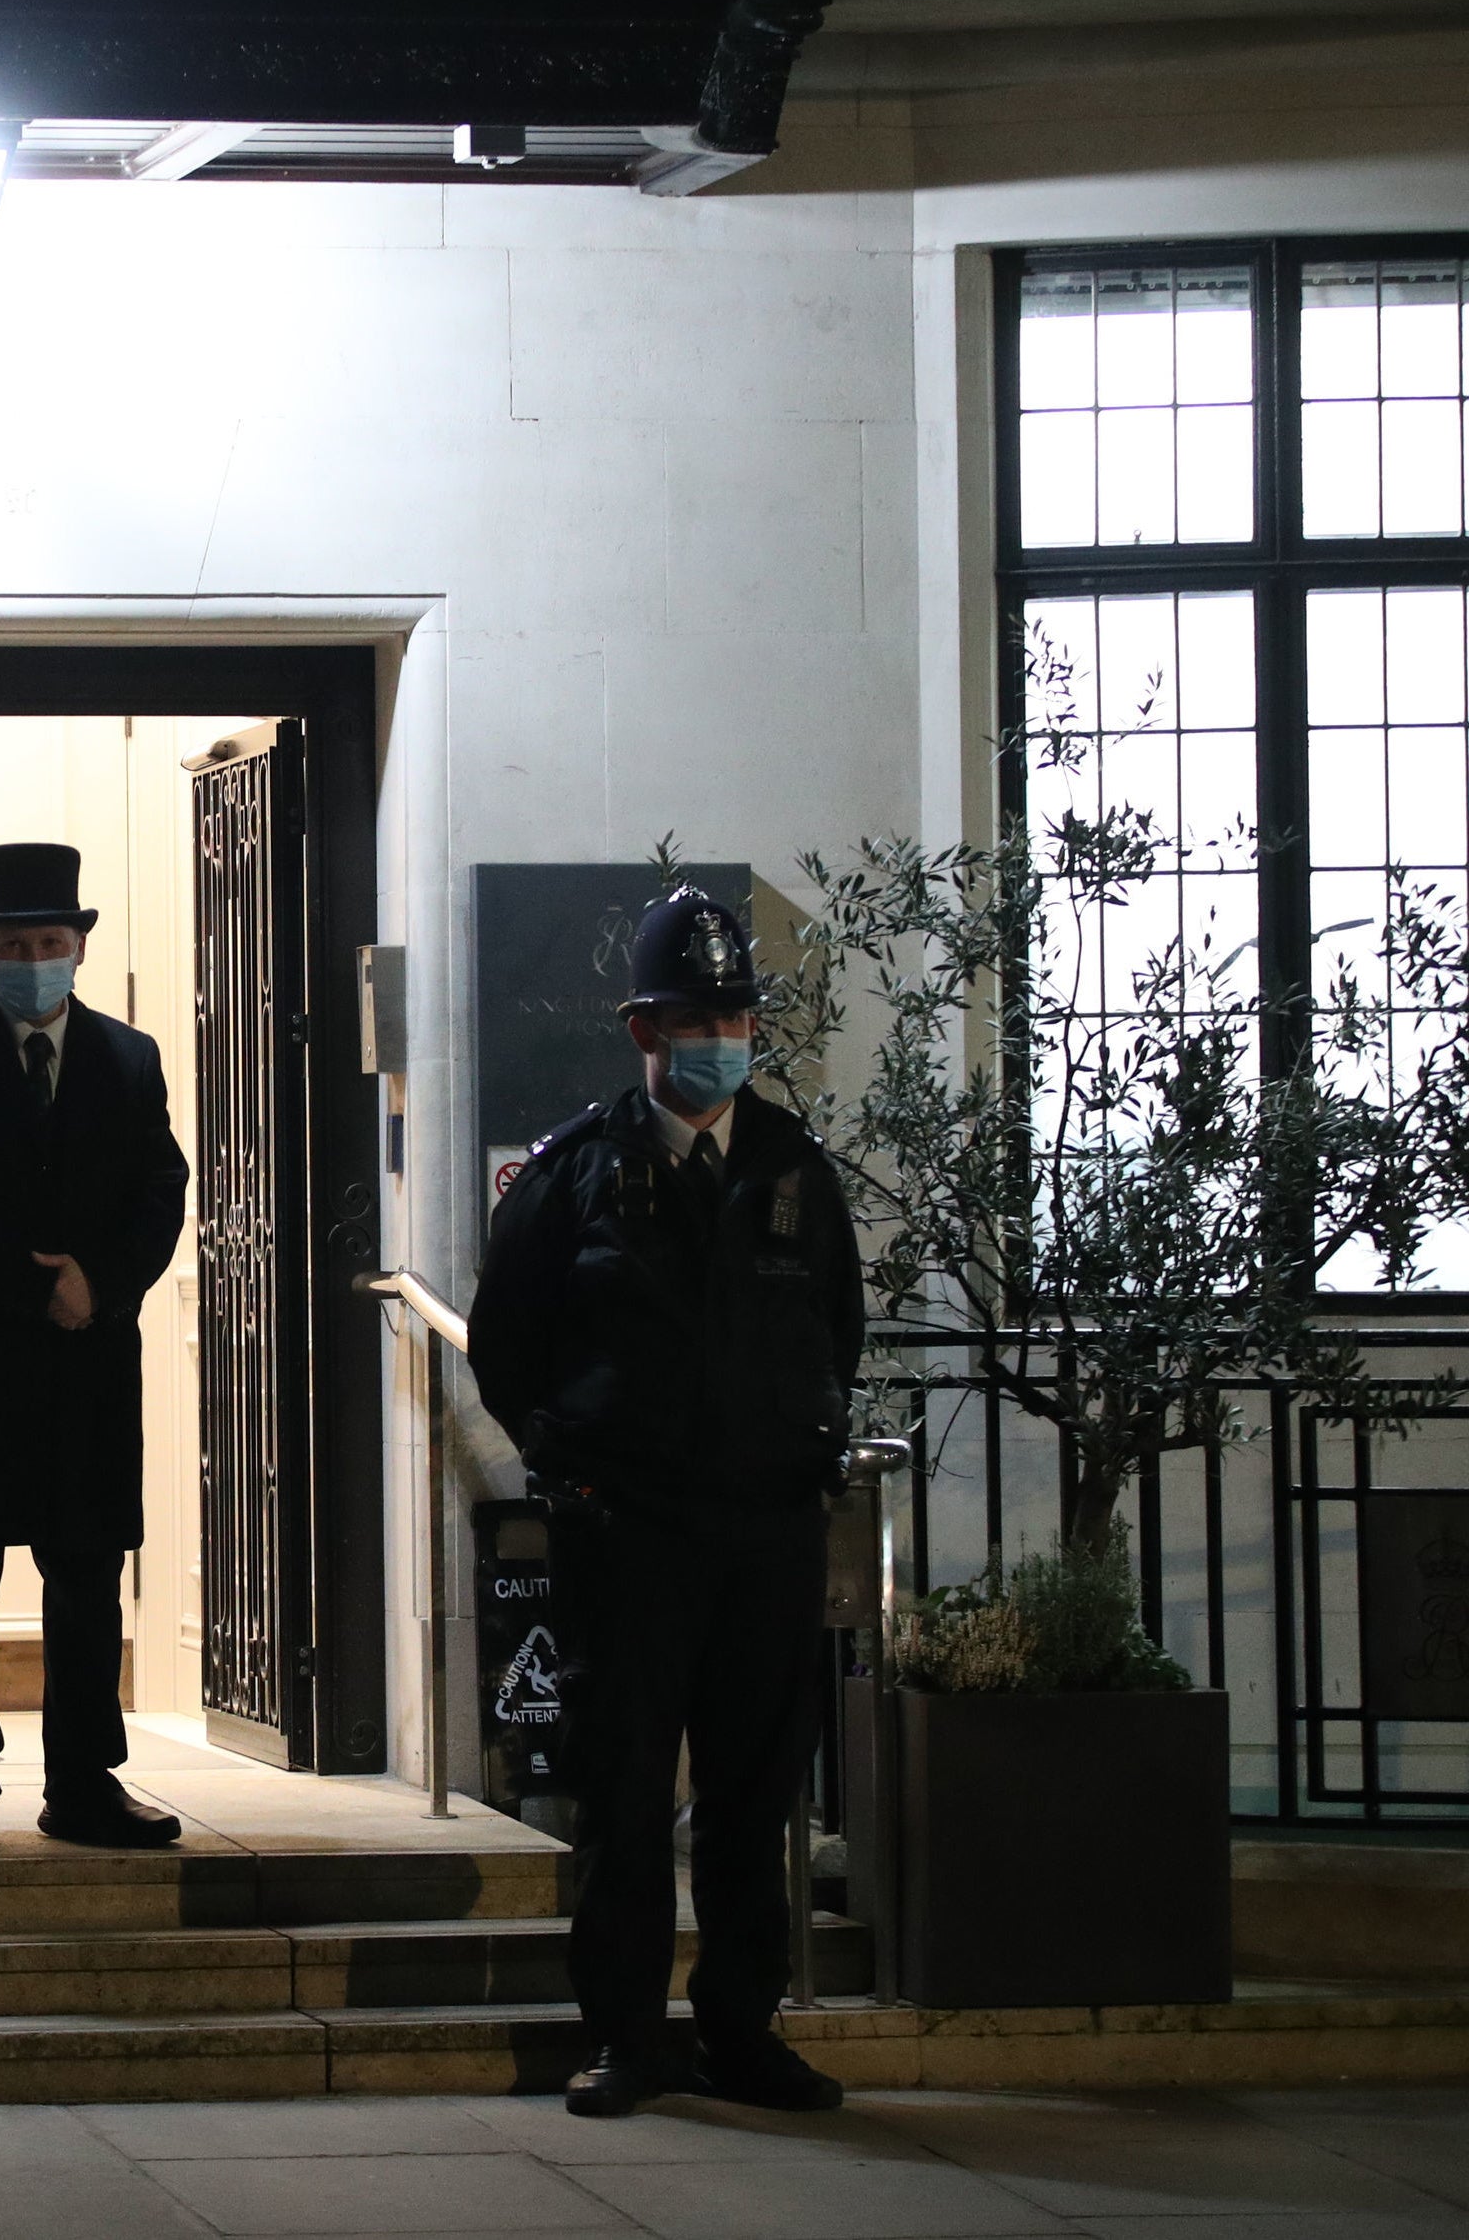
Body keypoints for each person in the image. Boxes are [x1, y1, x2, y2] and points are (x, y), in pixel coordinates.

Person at [466, 884, 864, 2120]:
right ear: (643, 1028)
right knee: (624, 1788)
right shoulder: (574, 1171)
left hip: (762, 1533)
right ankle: (626, 2037)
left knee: (753, 1792)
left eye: (735, 1015)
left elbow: (834, 1331)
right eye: (694, 1016)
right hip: (626, 1534)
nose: (719, 1038)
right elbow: (506, 1346)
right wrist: (572, 1464)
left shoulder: (794, 1170)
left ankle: (743, 2029)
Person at [0, 842, 192, 1855]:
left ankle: (84, 1780)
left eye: (47, 941)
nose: (30, 958)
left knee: (87, 1571)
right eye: (10, 942)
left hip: (86, 1360)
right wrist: (37, 1280)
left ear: (78, 946)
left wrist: (100, 1282)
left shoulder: (128, 1057)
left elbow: (159, 1186)